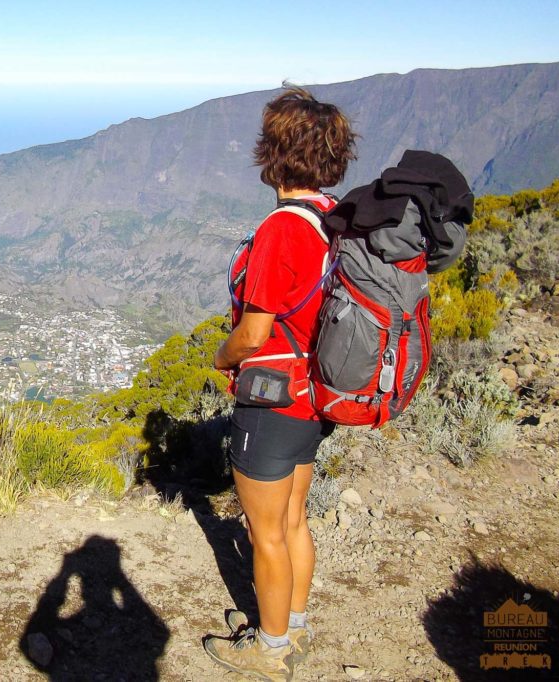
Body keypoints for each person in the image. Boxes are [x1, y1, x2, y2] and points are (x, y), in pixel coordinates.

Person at [205, 88, 356, 680]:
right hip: (313, 397)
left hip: (270, 398)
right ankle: (292, 625)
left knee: (262, 530)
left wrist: (221, 360)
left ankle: (268, 651)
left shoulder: (282, 229)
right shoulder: (333, 218)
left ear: (274, 155)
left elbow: (252, 332)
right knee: (294, 519)